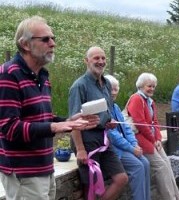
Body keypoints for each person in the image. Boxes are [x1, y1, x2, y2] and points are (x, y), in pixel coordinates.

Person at [0, 16, 97, 200]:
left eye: (53, 38)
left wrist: (69, 122)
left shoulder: (42, 76)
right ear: (25, 44)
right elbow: (9, 128)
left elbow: (40, 118)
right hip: (23, 174)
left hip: (44, 168)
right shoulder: (8, 75)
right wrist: (55, 127)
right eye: (45, 39)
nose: (52, 43)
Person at [68, 46, 128, 200]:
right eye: (96, 58)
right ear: (86, 61)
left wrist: (109, 121)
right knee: (92, 188)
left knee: (121, 178)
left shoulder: (107, 83)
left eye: (103, 58)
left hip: (103, 137)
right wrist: (80, 149)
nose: (101, 61)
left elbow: (105, 112)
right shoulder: (79, 86)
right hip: (85, 140)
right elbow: (73, 121)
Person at [127, 73, 179, 199]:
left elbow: (155, 122)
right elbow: (140, 124)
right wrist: (152, 139)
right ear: (141, 86)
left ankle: (177, 196)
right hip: (140, 139)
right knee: (161, 167)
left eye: (153, 86)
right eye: (149, 86)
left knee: (167, 163)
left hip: (151, 139)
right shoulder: (136, 99)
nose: (152, 89)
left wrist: (157, 138)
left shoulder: (150, 101)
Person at [104, 75, 150, 200]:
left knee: (145, 162)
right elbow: (112, 135)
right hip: (115, 149)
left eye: (116, 89)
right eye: (110, 89)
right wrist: (131, 148)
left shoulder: (116, 107)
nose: (113, 92)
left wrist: (134, 144)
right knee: (138, 166)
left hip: (127, 146)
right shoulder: (104, 109)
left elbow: (127, 129)